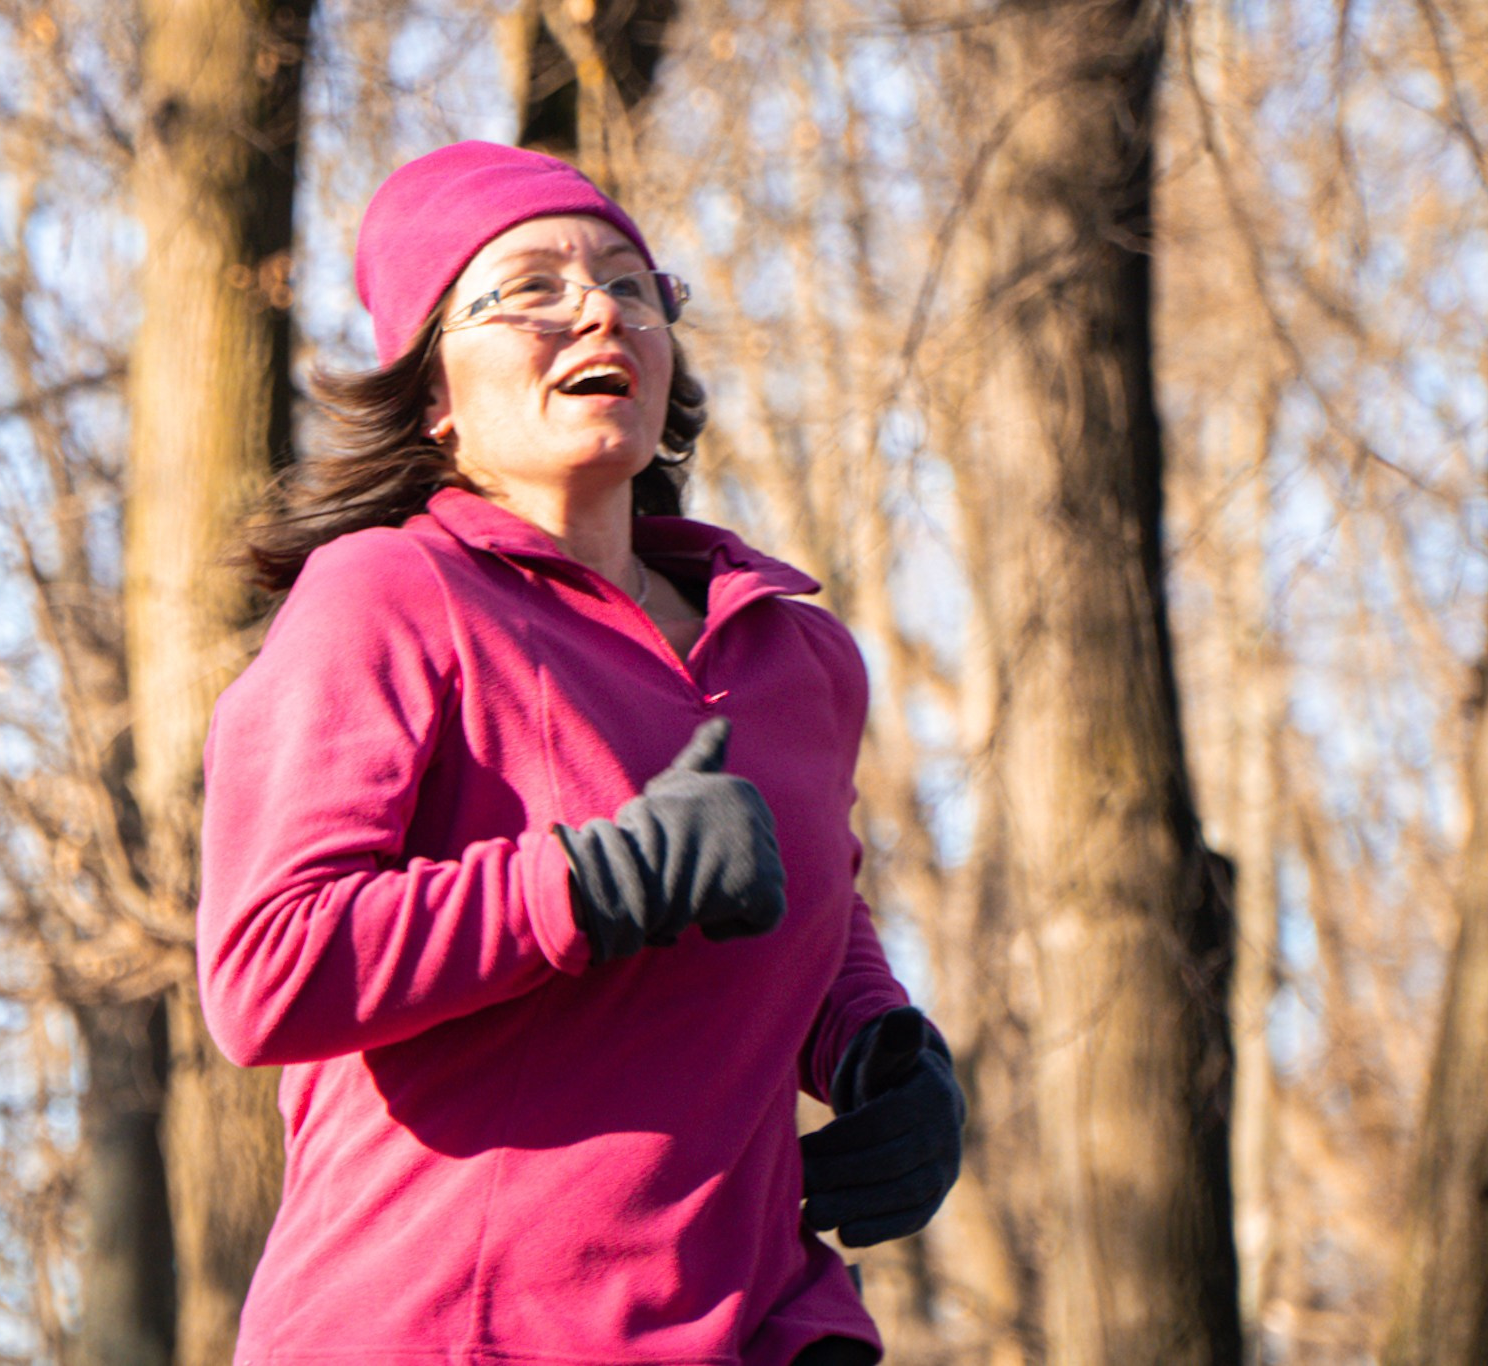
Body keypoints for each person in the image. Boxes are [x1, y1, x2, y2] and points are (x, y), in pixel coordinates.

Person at [197, 141, 965, 1366]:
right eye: (532, 287)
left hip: (758, 1320)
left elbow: (801, 896)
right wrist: (588, 883)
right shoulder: (387, 595)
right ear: (433, 390)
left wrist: (878, 1044)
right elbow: (269, 970)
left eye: (628, 282)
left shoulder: (792, 654)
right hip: (449, 1333)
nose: (599, 307)